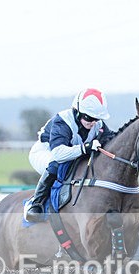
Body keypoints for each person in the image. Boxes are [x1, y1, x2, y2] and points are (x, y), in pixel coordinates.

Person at [25, 88, 116, 222]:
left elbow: (112, 141)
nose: (93, 122)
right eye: (89, 118)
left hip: (71, 154)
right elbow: (58, 154)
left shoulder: (98, 124)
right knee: (56, 165)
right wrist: (85, 148)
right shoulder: (63, 122)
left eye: (96, 119)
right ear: (77, 111)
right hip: (46, 152)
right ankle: (36, 204)